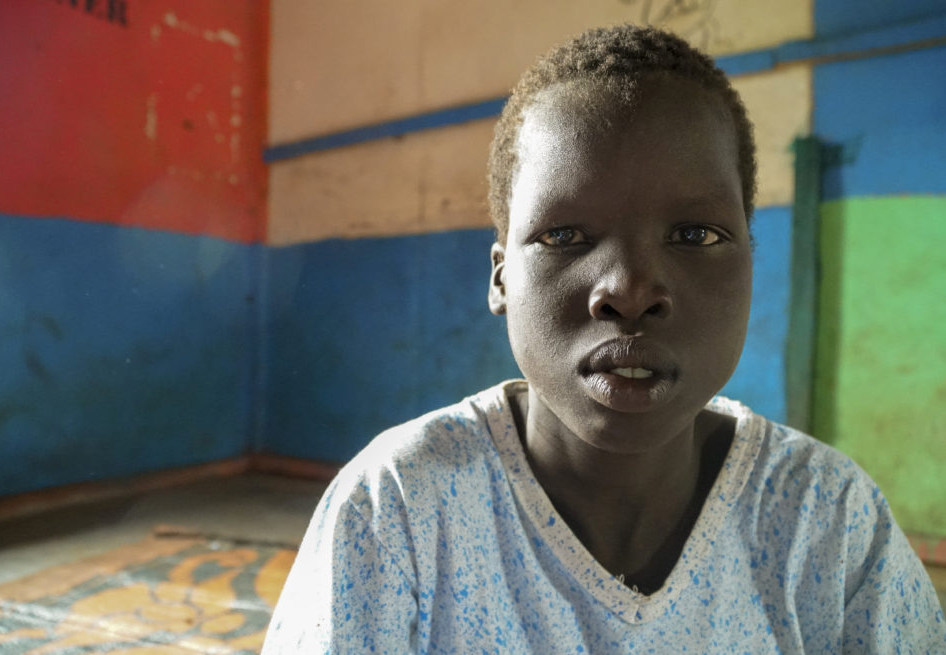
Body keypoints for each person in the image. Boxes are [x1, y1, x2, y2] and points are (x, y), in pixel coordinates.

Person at [262, 25, 945, 653]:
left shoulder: (825, 520)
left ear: (748, 262)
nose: (628, 286)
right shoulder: (397, 509)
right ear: (500, 279)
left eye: (694, 234)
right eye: (564, 236)